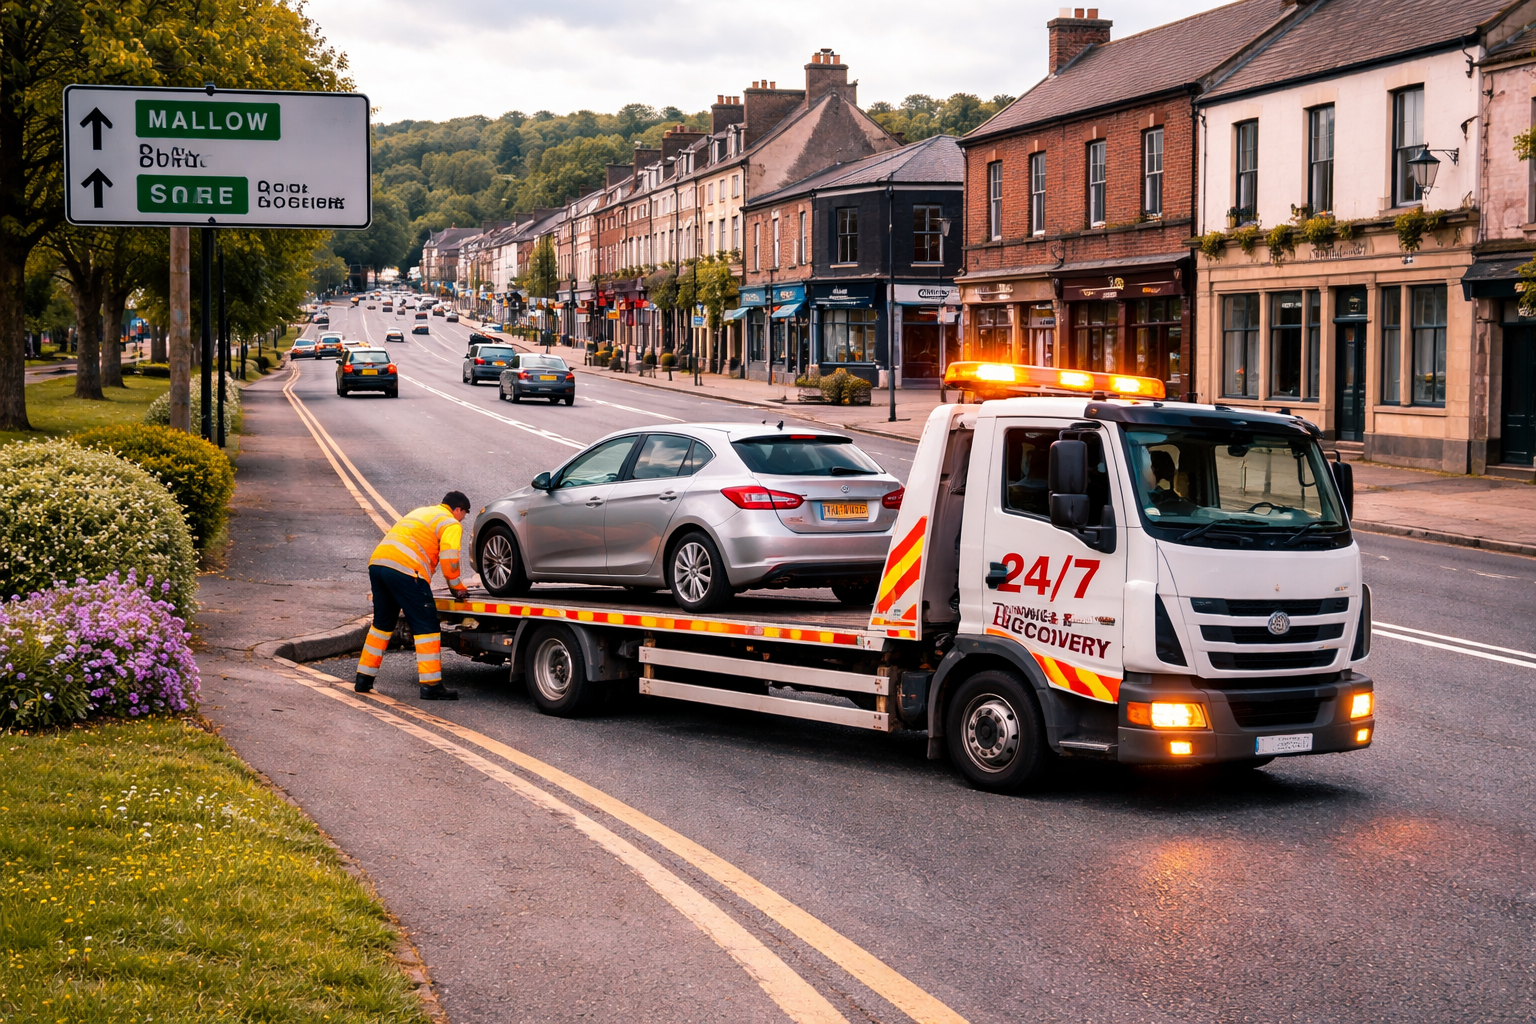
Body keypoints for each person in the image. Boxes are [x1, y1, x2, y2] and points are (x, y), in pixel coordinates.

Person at [355, 491, 472, 700]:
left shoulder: (422, 512)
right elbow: (449, 558)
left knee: (382, 625)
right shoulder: (451, 523)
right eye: (464, 513)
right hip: (407, 571)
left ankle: (363, 678)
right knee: (427, 625)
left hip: (378, 564)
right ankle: (431, 686)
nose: (463, 518)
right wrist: (457, 587)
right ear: (458, 509)